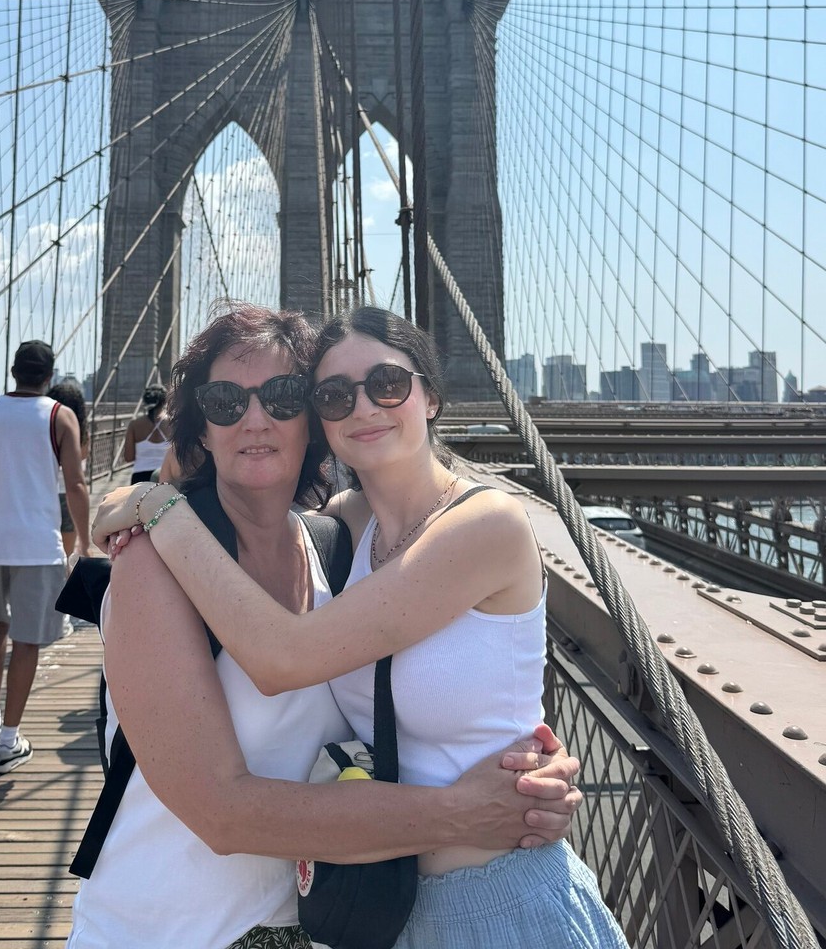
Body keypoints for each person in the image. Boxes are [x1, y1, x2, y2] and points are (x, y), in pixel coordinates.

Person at [97, 306, 628, 949]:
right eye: (333, 394)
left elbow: (285, 657)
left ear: (430, 396)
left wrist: (158, 504)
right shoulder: (348, 532)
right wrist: (154, 503)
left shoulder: (469, 525)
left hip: (490, 900)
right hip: (303, 919)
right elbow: (223, 803)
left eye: (388, 384)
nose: (364, 408)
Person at [0, 340, 91, 774]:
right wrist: (85, 543)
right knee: (27, 639)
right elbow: (76, 486)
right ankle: (10, 739)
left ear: (13, 371)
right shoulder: (59, 415)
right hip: (36, 543)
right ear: (48, 376)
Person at [48, 380, 90, 559]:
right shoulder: (82, 435)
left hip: (44, 494)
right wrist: (86, 542)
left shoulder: (44, 428)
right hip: (69, 496)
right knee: (65, 556)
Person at [123, 386, 170, 484]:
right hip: (165, 476)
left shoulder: (134, 424)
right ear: (165, 401)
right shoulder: (172, 423)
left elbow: (128, 457)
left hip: (140, 478)